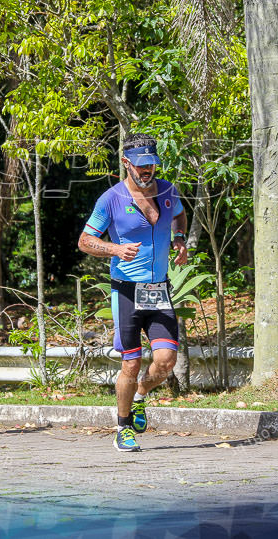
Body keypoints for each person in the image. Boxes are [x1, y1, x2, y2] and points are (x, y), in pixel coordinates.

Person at [78, 133, 188, 452]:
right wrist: (115, 248)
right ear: (126, 163)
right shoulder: (110, 199)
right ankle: (123, 427)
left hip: (158, 289)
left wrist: (179, 238)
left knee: (166, 361)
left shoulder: (168, 190)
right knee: (131, 363)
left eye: (151, 164)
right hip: (126, 291)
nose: (147, 171)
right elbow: (85, 241)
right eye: (141, 166)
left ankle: (139, 397)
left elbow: (179, 215)